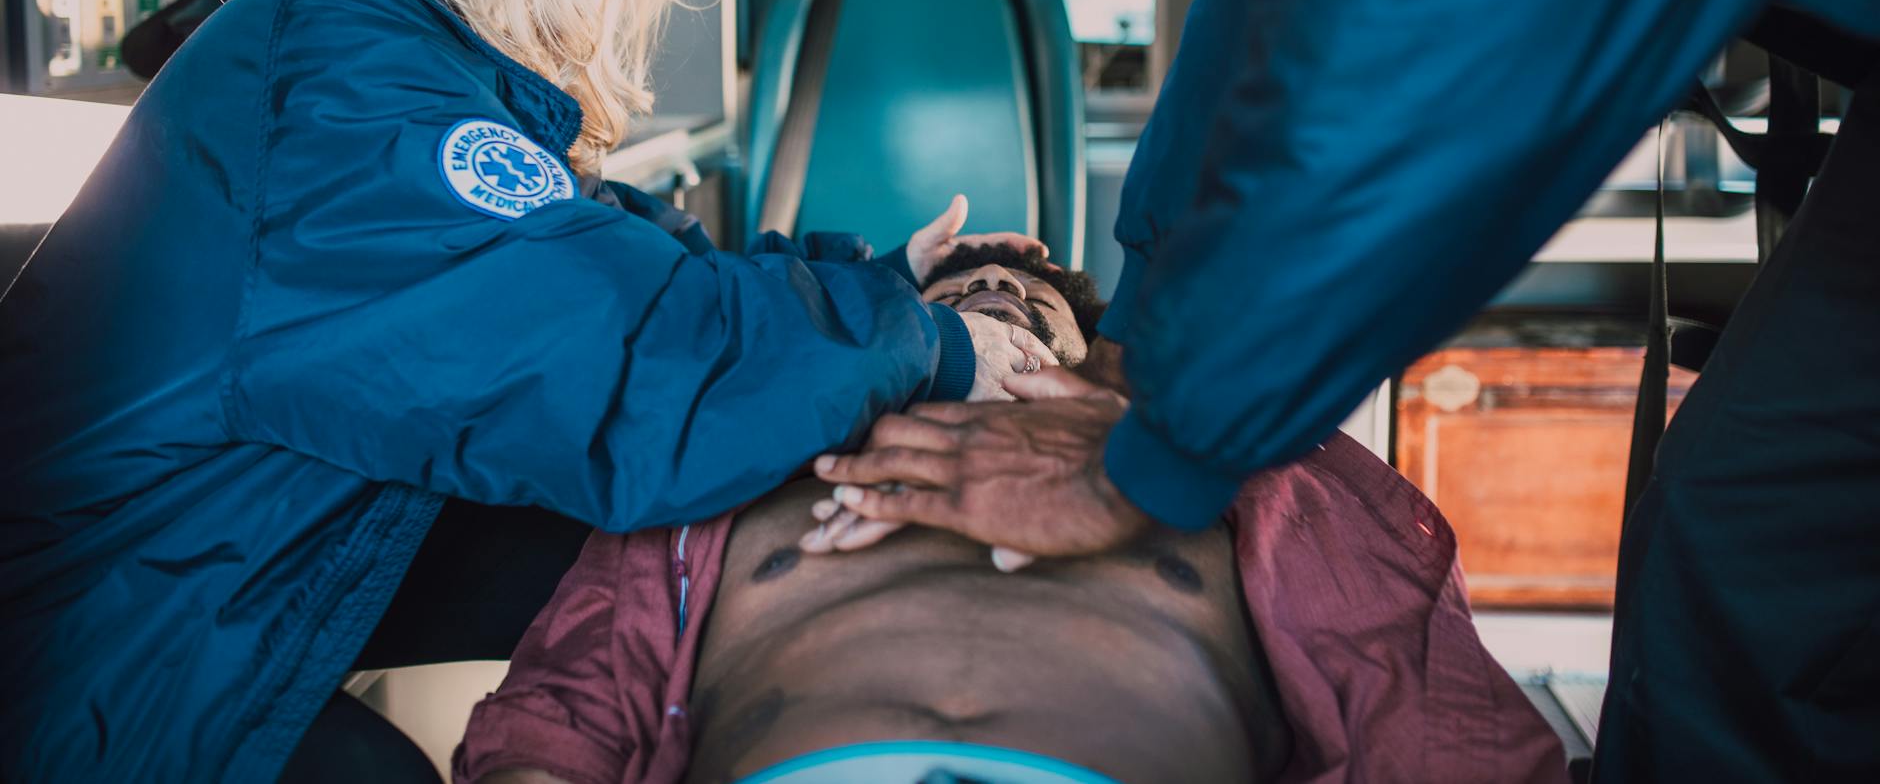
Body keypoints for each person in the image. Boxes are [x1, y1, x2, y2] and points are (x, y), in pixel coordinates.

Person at [811, 0, 1880, 778]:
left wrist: (1169, 448)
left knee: (1760, 541)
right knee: (1755, 532)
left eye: (1023, 290)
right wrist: (1145, 330)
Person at [0, 0, 1058, 783]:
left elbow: (611, 256)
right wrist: (923, 343)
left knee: (662, 535)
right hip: (95, 646)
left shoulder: (402, 36)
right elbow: (612, 345)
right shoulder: (352, 77)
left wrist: (877, 279)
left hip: (204, 548)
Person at [453, 245, 1568, 784]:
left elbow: (1425, 712)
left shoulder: (1243, 474)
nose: (998, 297)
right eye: (960, 302)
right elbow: (566, 706)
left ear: (1098, 364)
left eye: (1031, 305)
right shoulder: (737, 463)